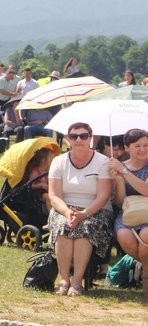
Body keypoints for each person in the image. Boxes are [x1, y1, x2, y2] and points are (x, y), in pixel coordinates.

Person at [48, 122, 112, 296]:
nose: (79, 140)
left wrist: (83, 214)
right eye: (74, 136)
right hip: (65, 208)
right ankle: (63, 280)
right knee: (63, 226)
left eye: (84, 136)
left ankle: (76, 282)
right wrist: (68, 212)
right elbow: (54, 195)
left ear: (90, 139)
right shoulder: (58, 161)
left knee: (85, 228)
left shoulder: (102, 161)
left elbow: (103, 196)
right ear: (68, 140)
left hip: (96, 210)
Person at [108, 129, 148, 294]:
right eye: (137, 145)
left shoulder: (123, 168)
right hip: (128, 213)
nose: (143, 149)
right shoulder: (120, 167)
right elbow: (120, 201)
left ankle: (145, 277)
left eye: (146, 145)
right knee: (124, 237)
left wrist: (125, 173)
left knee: (146, 234)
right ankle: (144, 268)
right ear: (127, 147)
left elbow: (146, 190)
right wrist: (118, 181)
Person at [27, 147, 55, 212]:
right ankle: (51, 214)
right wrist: (41, 185)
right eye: (51, 158)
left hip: (46, 190)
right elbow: (30, 185)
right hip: (37, 193)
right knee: (48, 197)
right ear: (43, 161)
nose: (53, 160)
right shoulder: (36, 172)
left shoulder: (47, 170)